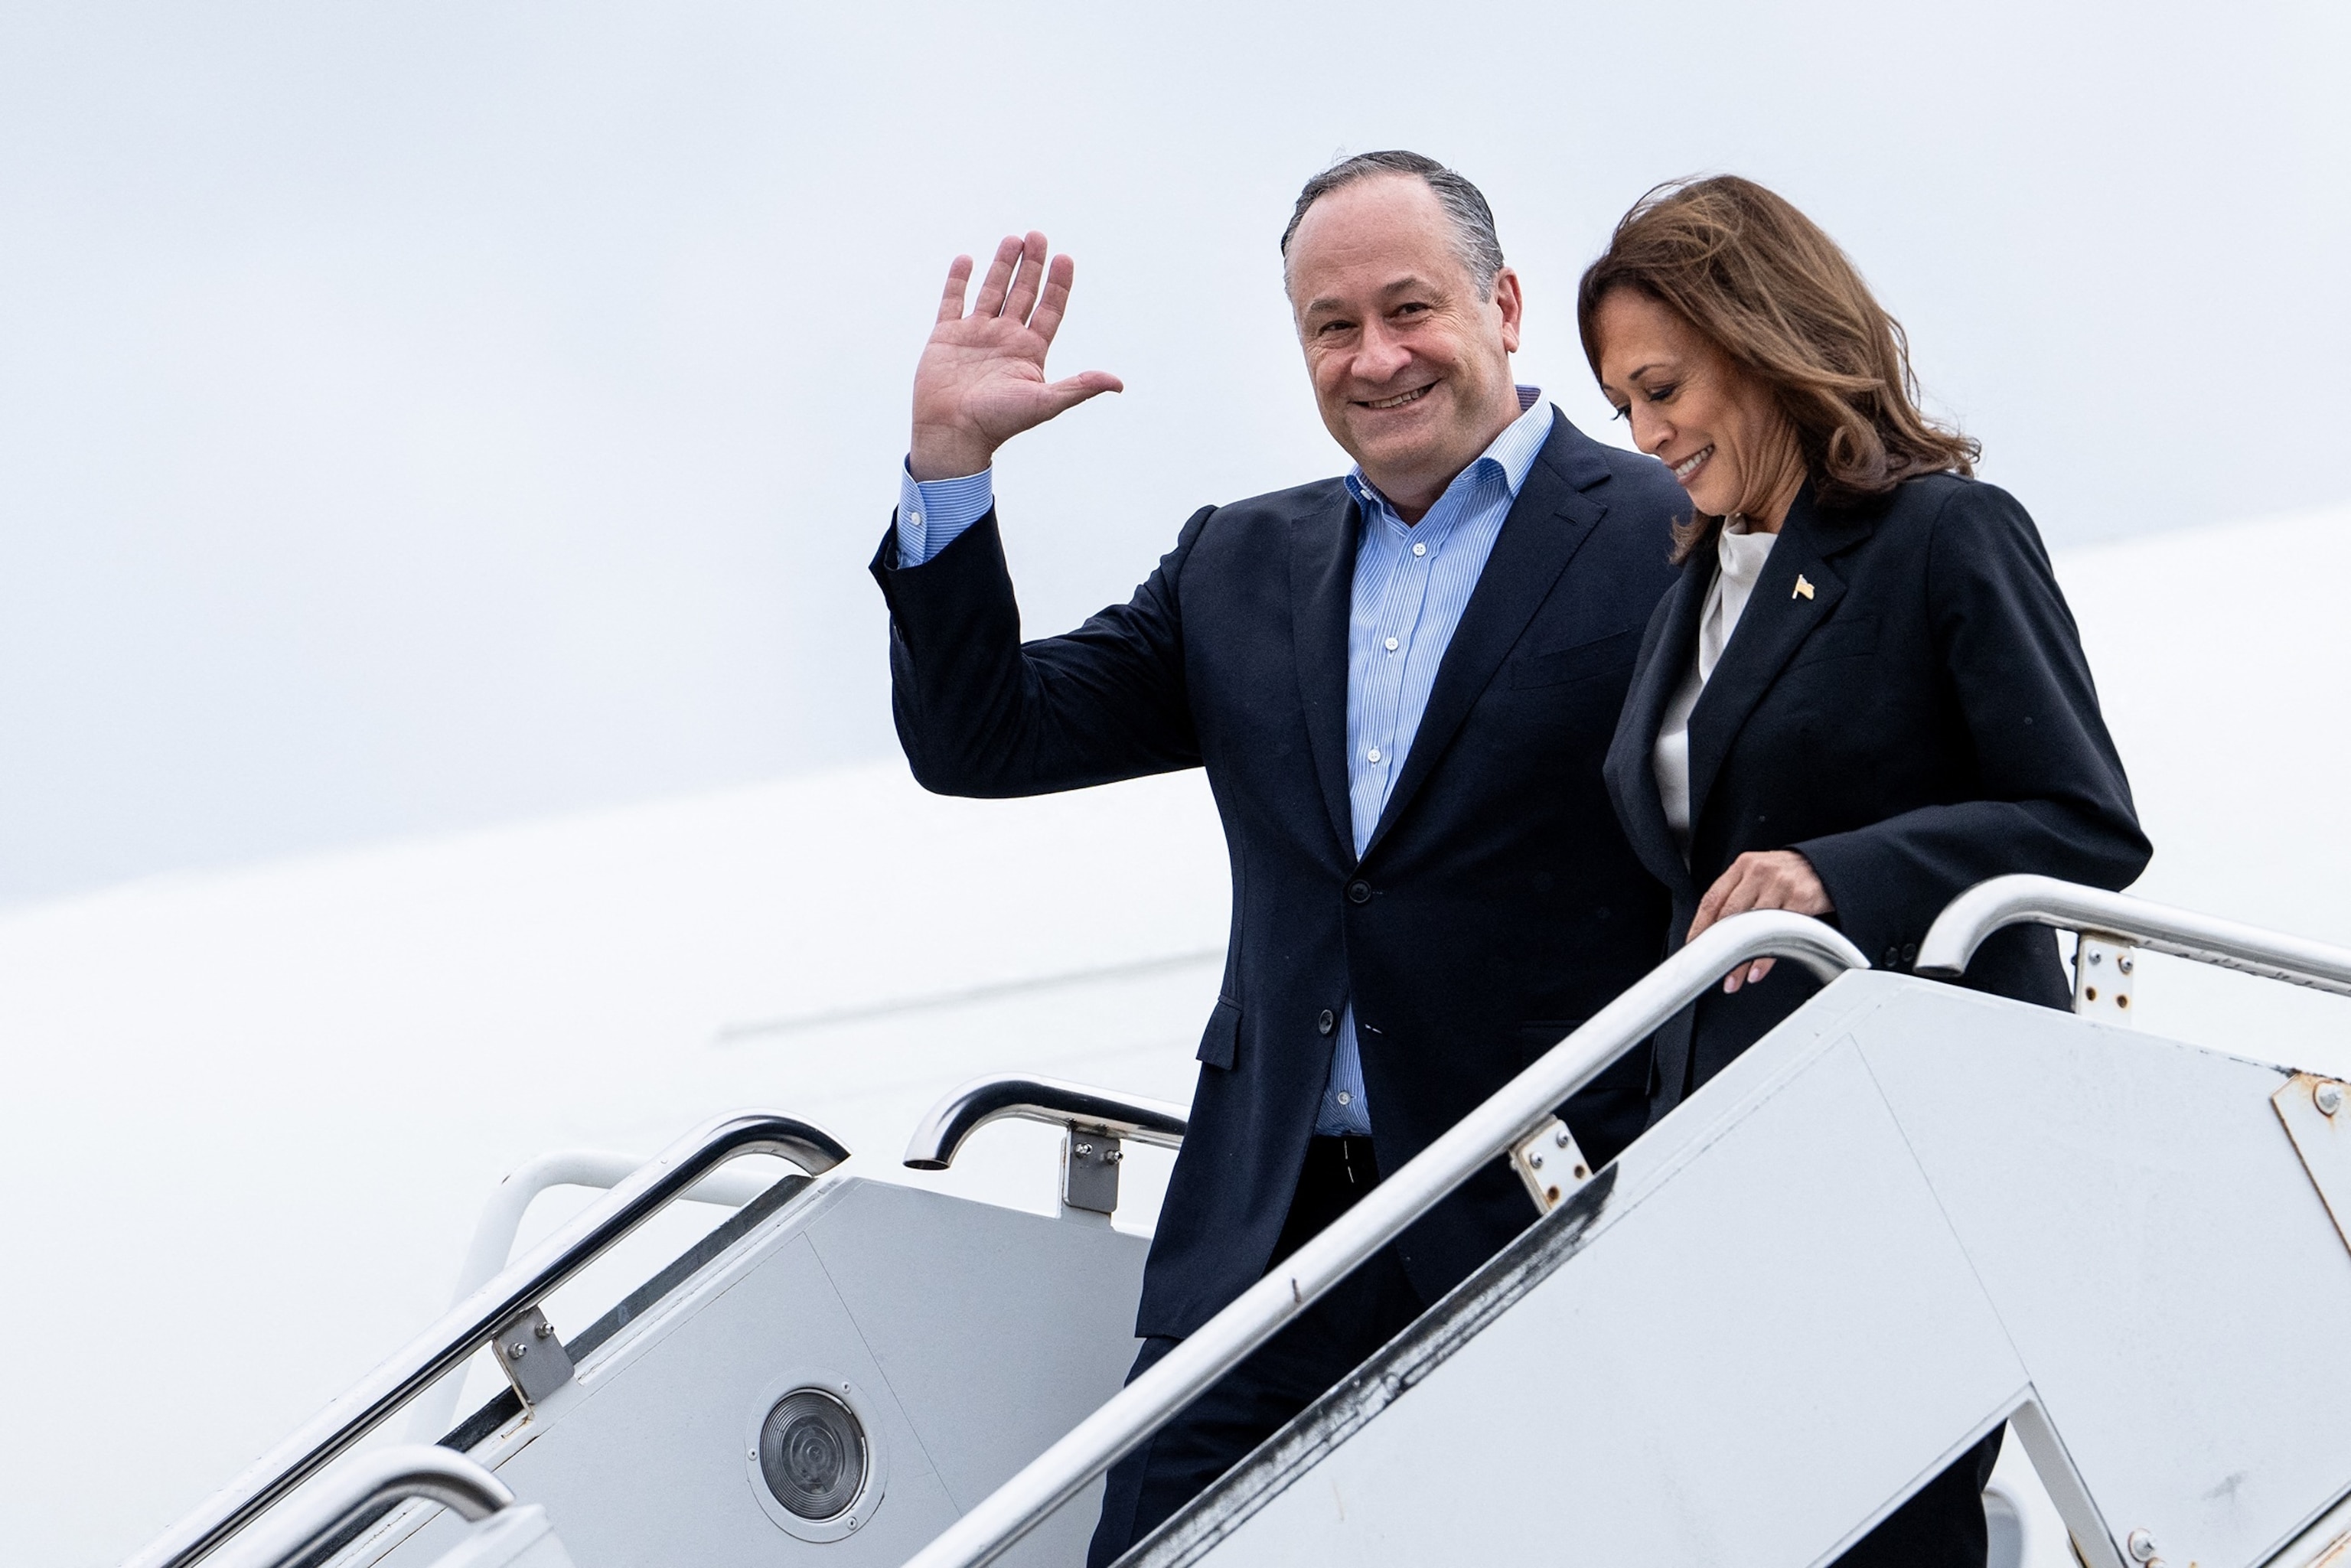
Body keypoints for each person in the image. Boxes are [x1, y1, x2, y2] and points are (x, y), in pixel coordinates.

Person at [869, 151, 1689, 1560]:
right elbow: (982, 738)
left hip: (1547, 1206)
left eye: (1409, 308)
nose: (1375, 358)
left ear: (1502, 306)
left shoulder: (1668, 533)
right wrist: (951, 469)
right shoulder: (1238, 564)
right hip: (1263, 1238)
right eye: (1331, 325)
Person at [1582, 174, 2152, 1566]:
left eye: (1666, 389)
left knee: (1883, 1523)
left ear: (1765, 340)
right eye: (1624, 408)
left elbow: (2086, 822)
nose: (1649, 435)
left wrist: (1839, 873)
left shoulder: (1946, 535)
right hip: (1719, 1148)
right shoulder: (1691, 590)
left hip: (1904, 1137)